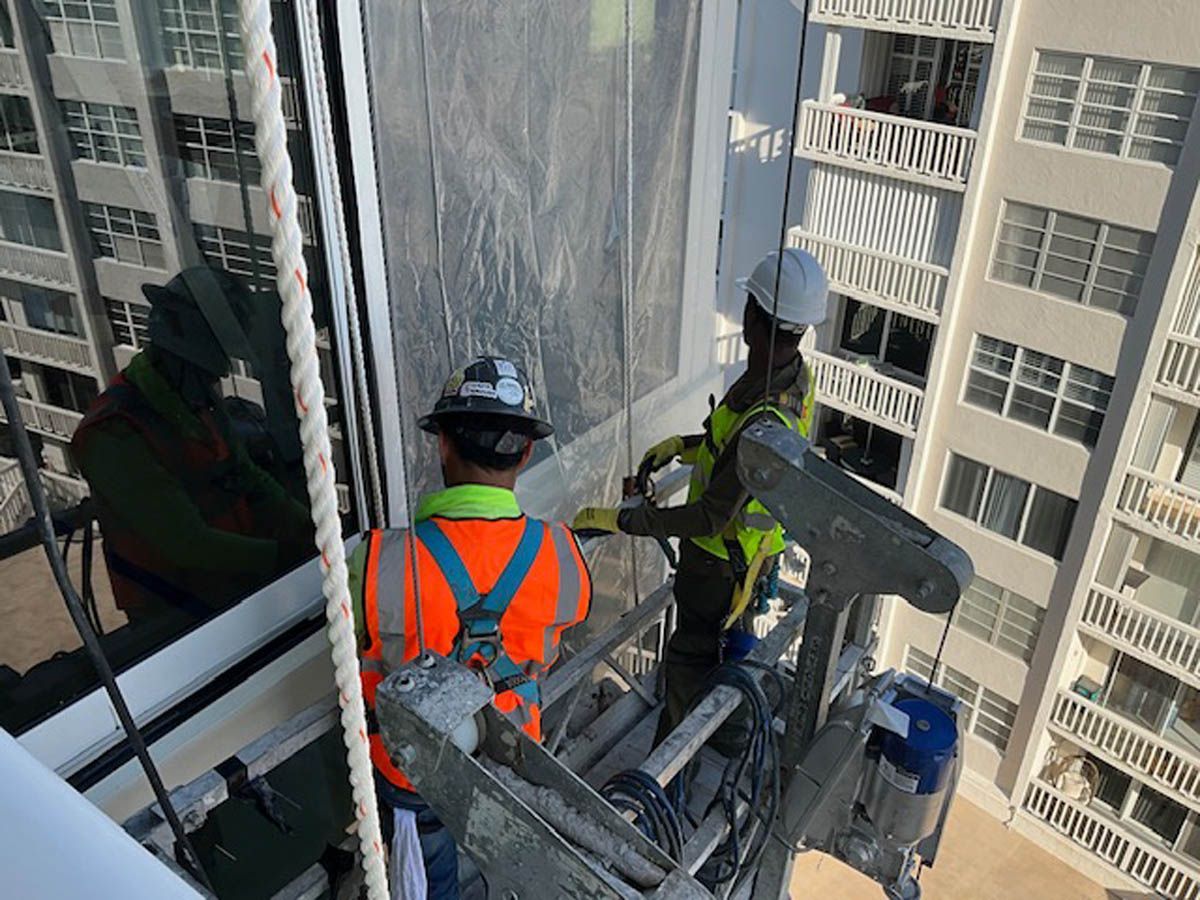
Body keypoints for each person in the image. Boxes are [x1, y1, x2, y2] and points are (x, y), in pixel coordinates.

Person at [347, 356, 592, 899]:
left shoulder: (376, 561)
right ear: (526, 453)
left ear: (442, 444)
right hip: (510, 769)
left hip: (415, 778)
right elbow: (566, 621)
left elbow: (347, 653)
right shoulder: (562, 555)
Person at [572, 248, 828, 748]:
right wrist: (681, 448)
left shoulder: (764, 418)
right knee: (724, 653)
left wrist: (626, 521)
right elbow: (729, 454)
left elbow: (711, 516)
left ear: (755, 318)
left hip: (715, 566)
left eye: (748, 305)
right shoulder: (791, 379)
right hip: (749, 555)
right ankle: (718, 734)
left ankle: (662, 784)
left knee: (687, 667)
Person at [71, 266, 314, 628]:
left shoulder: (195, 400)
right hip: (175, 624)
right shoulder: (112, 433)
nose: (217, 379)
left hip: (236, 591)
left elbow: (246, 475)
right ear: (184, 353)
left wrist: (312, 529)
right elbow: (189, 544)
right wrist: (285, 556)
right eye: (210, 367)